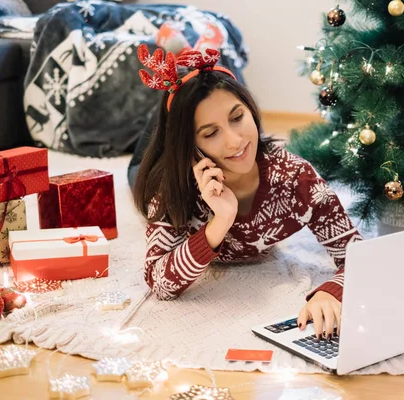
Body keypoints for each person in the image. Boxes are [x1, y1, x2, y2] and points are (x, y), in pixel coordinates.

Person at [133, 45, 362, 340]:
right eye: (211, 133)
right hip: (163, 168)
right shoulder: (171, 190)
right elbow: (160, 283)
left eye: (237, 117)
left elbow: (357, 255)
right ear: (192, 144)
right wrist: (220, 220)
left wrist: (331, 292)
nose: (234, 141)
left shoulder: (296, 180)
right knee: (138, 171)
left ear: (251, 111)